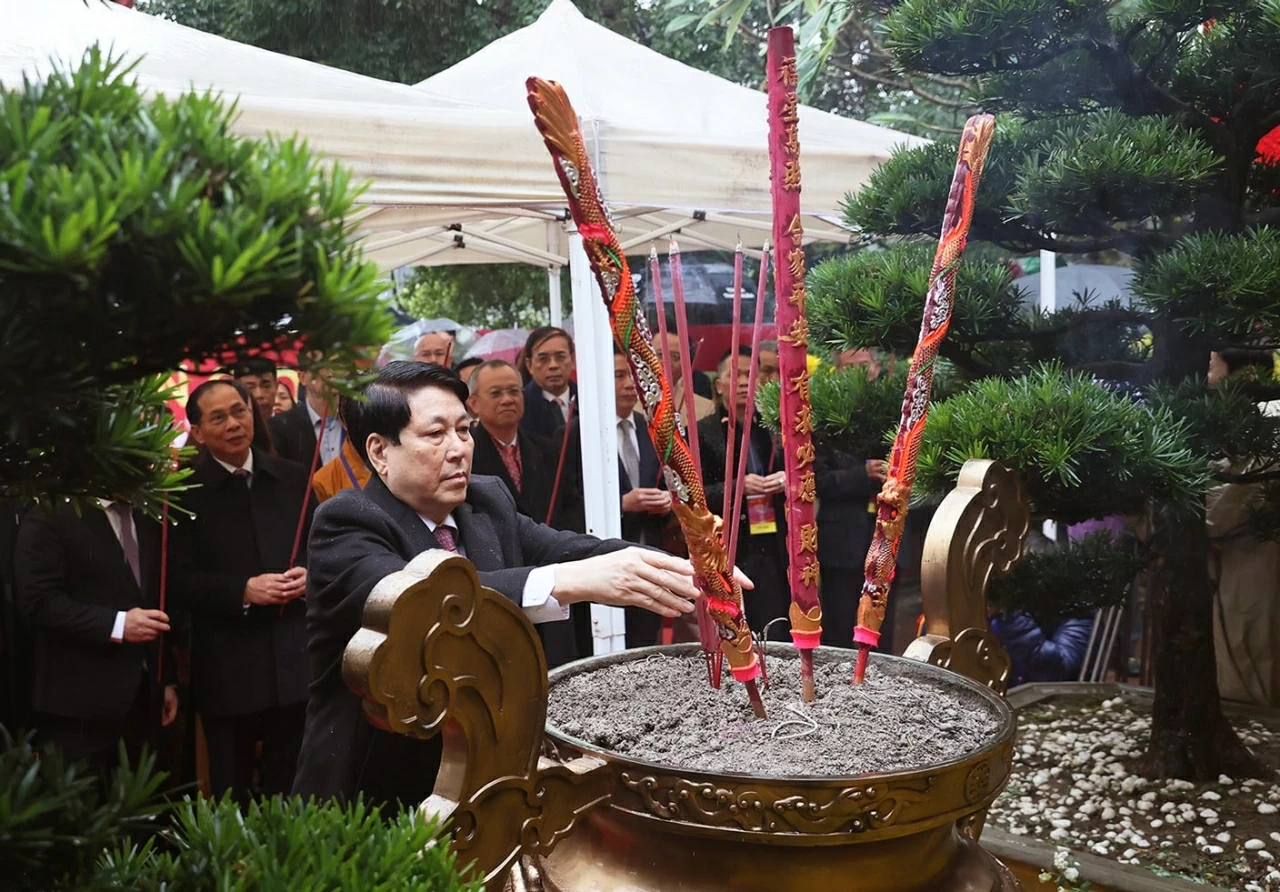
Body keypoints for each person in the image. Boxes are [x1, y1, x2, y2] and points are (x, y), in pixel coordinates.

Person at [293, 362, 713, 810]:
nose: (459, 450)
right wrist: (569, 582)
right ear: (380, 451)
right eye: (436, 435)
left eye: (464, 430)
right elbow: (420, 600)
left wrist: (690, 566)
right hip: (378, 789)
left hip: (488, 778)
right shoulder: (346, 522)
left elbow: (568, 549)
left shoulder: (484, 500)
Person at [171, 380, 314, 804]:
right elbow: (177, 581)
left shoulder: (291, 478)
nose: (234, 423)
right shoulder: (182, 492)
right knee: (230, 791)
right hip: (228, 670)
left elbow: (319, 549)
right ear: (196, 431)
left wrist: (310, 575)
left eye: (240, 410)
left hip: (293, 665)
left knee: (292, 789)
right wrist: (243, 590)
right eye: (218, 417)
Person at [14, 499, 179, 775]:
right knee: (83, 810)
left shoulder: (148, 513)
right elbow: (38, 602)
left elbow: (155, 598)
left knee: (144, 808)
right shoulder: (52, 513)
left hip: (145, 694)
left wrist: (167, 679)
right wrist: (118, 624)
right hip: (78, 704)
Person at [466, 359, 579, 666]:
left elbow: (571, 506)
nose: (507, 399)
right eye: (496, 393)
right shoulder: (464, 456)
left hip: (550, 577)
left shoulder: (548, 449)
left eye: (514, 391)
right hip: (498, 583)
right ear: (473, 403)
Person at [699, 347, 790, 639]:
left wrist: (786, 480)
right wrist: (737, 487)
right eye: (733, 374)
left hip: (775, 542)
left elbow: (809, 475)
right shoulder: (703, 432)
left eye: (749, 374)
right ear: (719, 384)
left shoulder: (774, 429)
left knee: (777, 622)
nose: (742, 382)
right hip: (730, 545)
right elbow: (693, 494)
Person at [612, 349, 672, 648]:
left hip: (652, 551)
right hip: (610, 559)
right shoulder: (579, 433)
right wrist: (621, 505)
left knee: (648, 643)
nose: (628, 384)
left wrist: (666, 501)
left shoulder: (651, 428)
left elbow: (670, 483)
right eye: (617, 376)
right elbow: (567, 506)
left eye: (632, 376)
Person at [815, 449, 887, 649]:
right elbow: (818, 482)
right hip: (840, 541)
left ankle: (879, 671)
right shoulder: (827, 432)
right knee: (839, 620)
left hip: (882, 537)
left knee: (880, 619)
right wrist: (862, 474)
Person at [269, 364, 341, 468]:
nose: (331, 372)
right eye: (322, 365)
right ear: (302, 377)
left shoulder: (357, 419)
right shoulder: (280, 427)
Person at [520, 327, 577, 440]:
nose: (553, 365)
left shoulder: (589, 402)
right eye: (543, 359)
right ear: (529, 365)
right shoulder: (520, 408)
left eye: (560, 357)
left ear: (573, 359)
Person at [652, 331, 715, 427]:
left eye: (676, 357)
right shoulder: (627, 402)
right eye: (660, 355)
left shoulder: (704, 409)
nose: (667, 363)